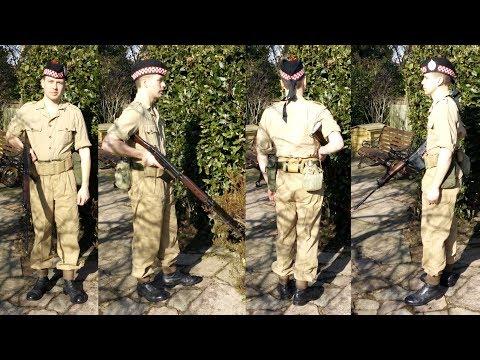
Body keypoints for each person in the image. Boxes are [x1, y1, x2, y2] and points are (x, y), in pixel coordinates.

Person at [101, 59, 202, 303]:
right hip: (145, 182)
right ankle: (144, 282)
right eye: (160, 80)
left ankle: (170, 272)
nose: (164, 85)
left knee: (169, 229)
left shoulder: (153, 113)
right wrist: (141, 154)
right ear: (145, 82)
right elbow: (109, 143)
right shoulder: (134, 112)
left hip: (162, 180)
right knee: (147, 234)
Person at [255, 56, 344, 306]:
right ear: (304, 79)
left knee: (284, 231)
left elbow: (262, 152)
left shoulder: (270, 112)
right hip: (309, 180)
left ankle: (283, 282)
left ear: (282, 82)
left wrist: (270, 183)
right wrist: (322, 151)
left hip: (282, 179)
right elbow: (338, 143)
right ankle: (302, 289)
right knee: (307, 231)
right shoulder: (317, 109)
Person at [6, 60, 92, 304]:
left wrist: (84, 185)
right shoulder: (27, 111)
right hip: (39, 178)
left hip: (65, 177)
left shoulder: (73, 112)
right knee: (41, 229)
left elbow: (84, 149)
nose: (55, 87)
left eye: (60, 83)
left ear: (64, 85)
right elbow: (10, 136)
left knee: (69, 228)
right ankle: (42, 277)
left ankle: (69, 280)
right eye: (51, 82)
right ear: (43, 83)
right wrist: (25, 148)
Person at [404, 57, 467, 306]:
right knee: (446, 227)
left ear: (440, 78)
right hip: (445, 174)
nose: (422, 82)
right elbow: (461, 133)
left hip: (440, 176)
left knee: (432, 231)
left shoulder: (443, 106)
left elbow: (446, 151)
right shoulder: (446, 104)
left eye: (426, 77)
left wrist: (434, 185)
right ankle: (448, 271)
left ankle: (432, 283)